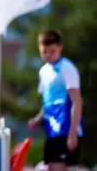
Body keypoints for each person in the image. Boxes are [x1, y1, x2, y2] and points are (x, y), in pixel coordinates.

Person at [28, 30, 83, 171]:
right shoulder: (43, 71)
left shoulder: (67, 68)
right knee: (51, 166)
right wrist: (38, 118)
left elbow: (76, 101)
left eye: (52, 51)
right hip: (51, 129)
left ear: (60, 47)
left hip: (65, 128)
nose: (48, 55)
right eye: (44, 51)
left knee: (58, 167)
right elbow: (47, 101)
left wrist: (72, 132)